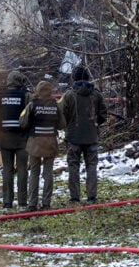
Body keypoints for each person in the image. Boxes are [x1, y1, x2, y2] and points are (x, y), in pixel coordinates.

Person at [60, 66, 107, 204]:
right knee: (91, 166)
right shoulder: (96, 94)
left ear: (73, 78)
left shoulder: (68, 95)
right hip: (91, 137)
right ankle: (92, 196)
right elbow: (103, 114)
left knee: (73, 167)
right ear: (88, 77)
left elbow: (63, 115)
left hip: (73, 137)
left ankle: (75, 197)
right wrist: (95, 124)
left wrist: (68, 126)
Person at [0, 70, 32, 209]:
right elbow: (30, 117)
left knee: (7, 170)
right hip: (22, 139)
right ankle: (22, 202)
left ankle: (7, 202)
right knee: (22, 169)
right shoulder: (26, 96)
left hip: (5, 138)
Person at [21, 81, 65, 211]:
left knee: (34, 173)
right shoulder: (55, 106)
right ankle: (46, 203)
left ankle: (32, 203)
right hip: (50, 142)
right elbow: (62, 124)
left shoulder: (32, 105)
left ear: (38, 91)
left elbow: (22, 122)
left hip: (34, 143)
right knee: (48, 173)